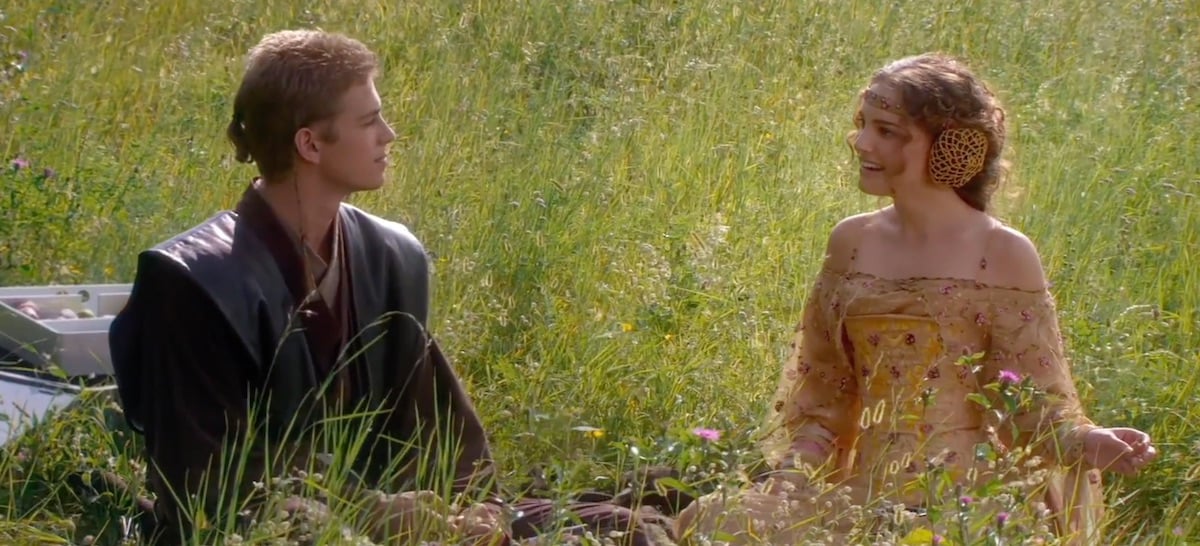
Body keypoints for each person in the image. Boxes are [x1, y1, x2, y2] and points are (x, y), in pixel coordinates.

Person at [108, 30, 675, 546]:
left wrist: (474, 514)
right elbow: (207, 483)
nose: (389, 135)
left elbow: (439, 433)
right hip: (284, 528)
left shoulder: (387, 254)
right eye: (368, 122)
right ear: (310, 144)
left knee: (624, 531)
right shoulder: (193, 283)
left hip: (403, 516)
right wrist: (372, 516)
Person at [674, 53, 1158, 545]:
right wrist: (788, 483)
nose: (861, 142)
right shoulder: (851, 241)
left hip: (963, 503)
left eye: (887, 131)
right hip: (857, 496)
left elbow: (1028, 402)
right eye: (863, 125)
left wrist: (1087, 441)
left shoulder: (1003, 252)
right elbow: (826, 398)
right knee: (713, 521)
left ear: (951, 144)